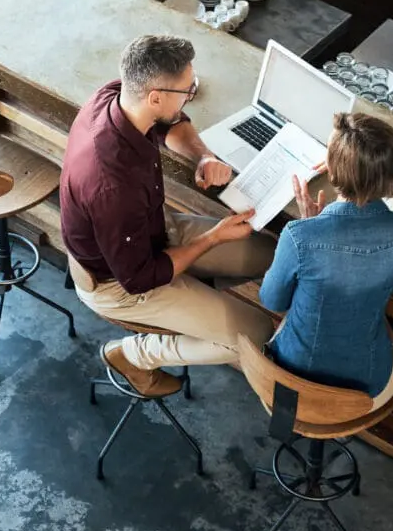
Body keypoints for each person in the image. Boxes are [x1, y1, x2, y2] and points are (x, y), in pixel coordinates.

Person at [60, 34, 276, 397]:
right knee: (256, 334)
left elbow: (170, 123)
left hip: (152, 230)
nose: (191, 94)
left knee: (268, 254)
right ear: (155, 96)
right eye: (186, 90)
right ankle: (133, 355)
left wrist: (204, 156)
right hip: (120, 282)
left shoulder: (117, 96)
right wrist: (213, 239)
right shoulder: (113, 185)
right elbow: (141, 277)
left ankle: (194, 296)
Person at [260, 112, 393, 408]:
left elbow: (272, 301)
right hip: (364, 389)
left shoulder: (298, 236)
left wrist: (312, 225)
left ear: (331, 172)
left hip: (293, 380)